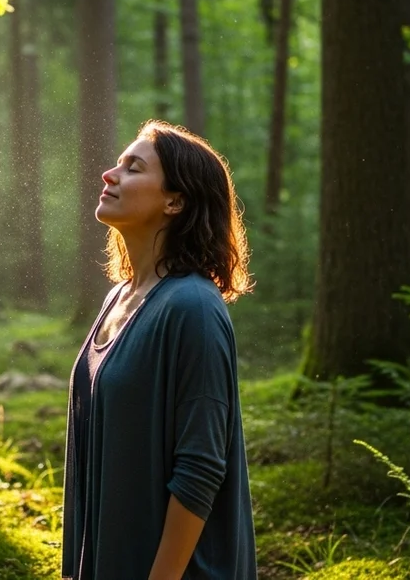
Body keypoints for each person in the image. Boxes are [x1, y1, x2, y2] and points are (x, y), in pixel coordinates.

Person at [62, 120, 257, 579]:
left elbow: (201, 467)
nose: (109, 174)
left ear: (175, 201)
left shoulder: (193, 307)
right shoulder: (118, 297)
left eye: (133, 168)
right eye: (118, 163)